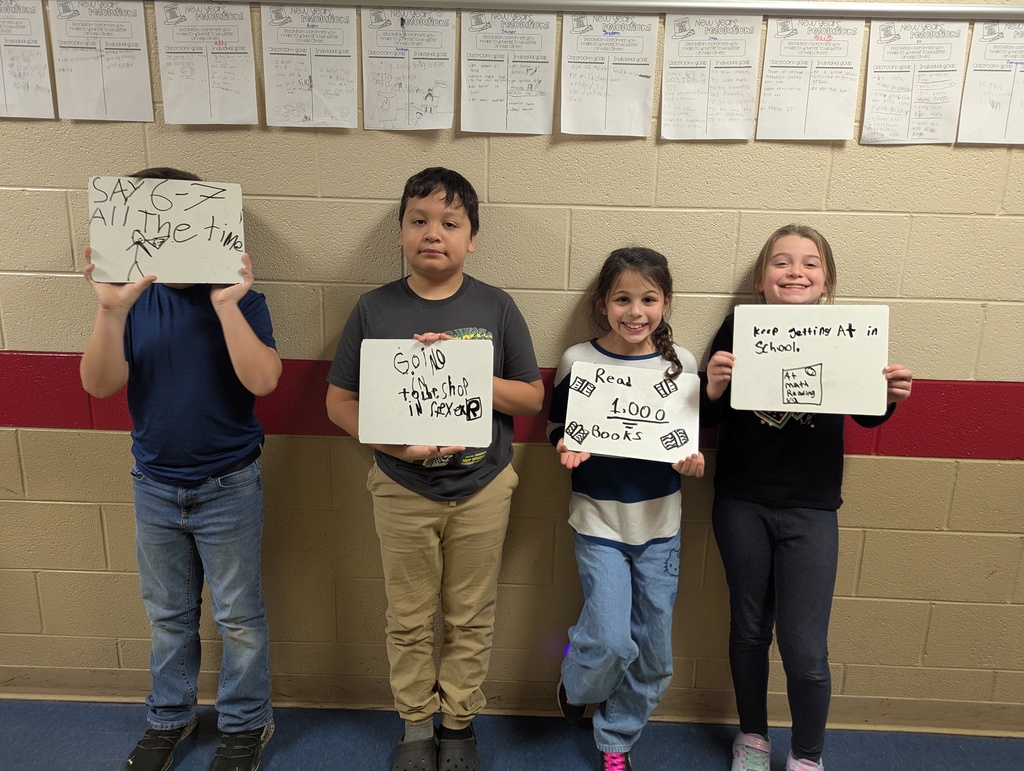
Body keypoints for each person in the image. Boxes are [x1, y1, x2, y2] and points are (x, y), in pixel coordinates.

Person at [325, 167, 544, 771]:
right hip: (401, 489)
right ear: (399, 233)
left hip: (483, 487)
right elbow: (339, 402)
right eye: (418, 221)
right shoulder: (374, 308)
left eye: (450, 223)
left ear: (472, 238)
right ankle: (416, 723)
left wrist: (467, 370)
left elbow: (530, 398)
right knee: (409, 615)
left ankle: (459, 724)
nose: (433, 234)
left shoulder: (495, 307)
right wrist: (393, 448)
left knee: (470, 615)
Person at [80, 167, 280, 771]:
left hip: (229, 484)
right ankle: (170, 716)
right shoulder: (132, 304)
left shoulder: (243, 302)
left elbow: (264, 380)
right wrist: (112, 312)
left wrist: (226, 306)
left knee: (238, 616)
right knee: (168, 615)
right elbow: (100, 383)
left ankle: (247, 722)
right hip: (156, 487)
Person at [701, 225, 913, 771]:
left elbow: (866, 413)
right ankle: (752, 738)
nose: (796, 271)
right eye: (782, 262)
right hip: (742, 502)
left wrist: (889, 397)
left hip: (812, 509)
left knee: (804, 649)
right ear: (759, 278)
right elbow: (704, 418)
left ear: (826, 282)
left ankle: (808, 756)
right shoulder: (736, 327)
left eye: (810, 264)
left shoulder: (846, 332)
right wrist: (714, 388)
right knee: (749, 629)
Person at [547, 247, 706, 771]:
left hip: (660, 528)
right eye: (622, 299)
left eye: (648, 299)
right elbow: (558, 427)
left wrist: (691, 462)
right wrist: (564, 448)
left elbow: (686, 438)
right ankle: (575, 681)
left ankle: (616, 739)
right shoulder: (579, 360)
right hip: (598, 522)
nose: (635, 312)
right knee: (612, 640)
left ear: (665, 302)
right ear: (602, 303)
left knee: (655, 655)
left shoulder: (681, 365)